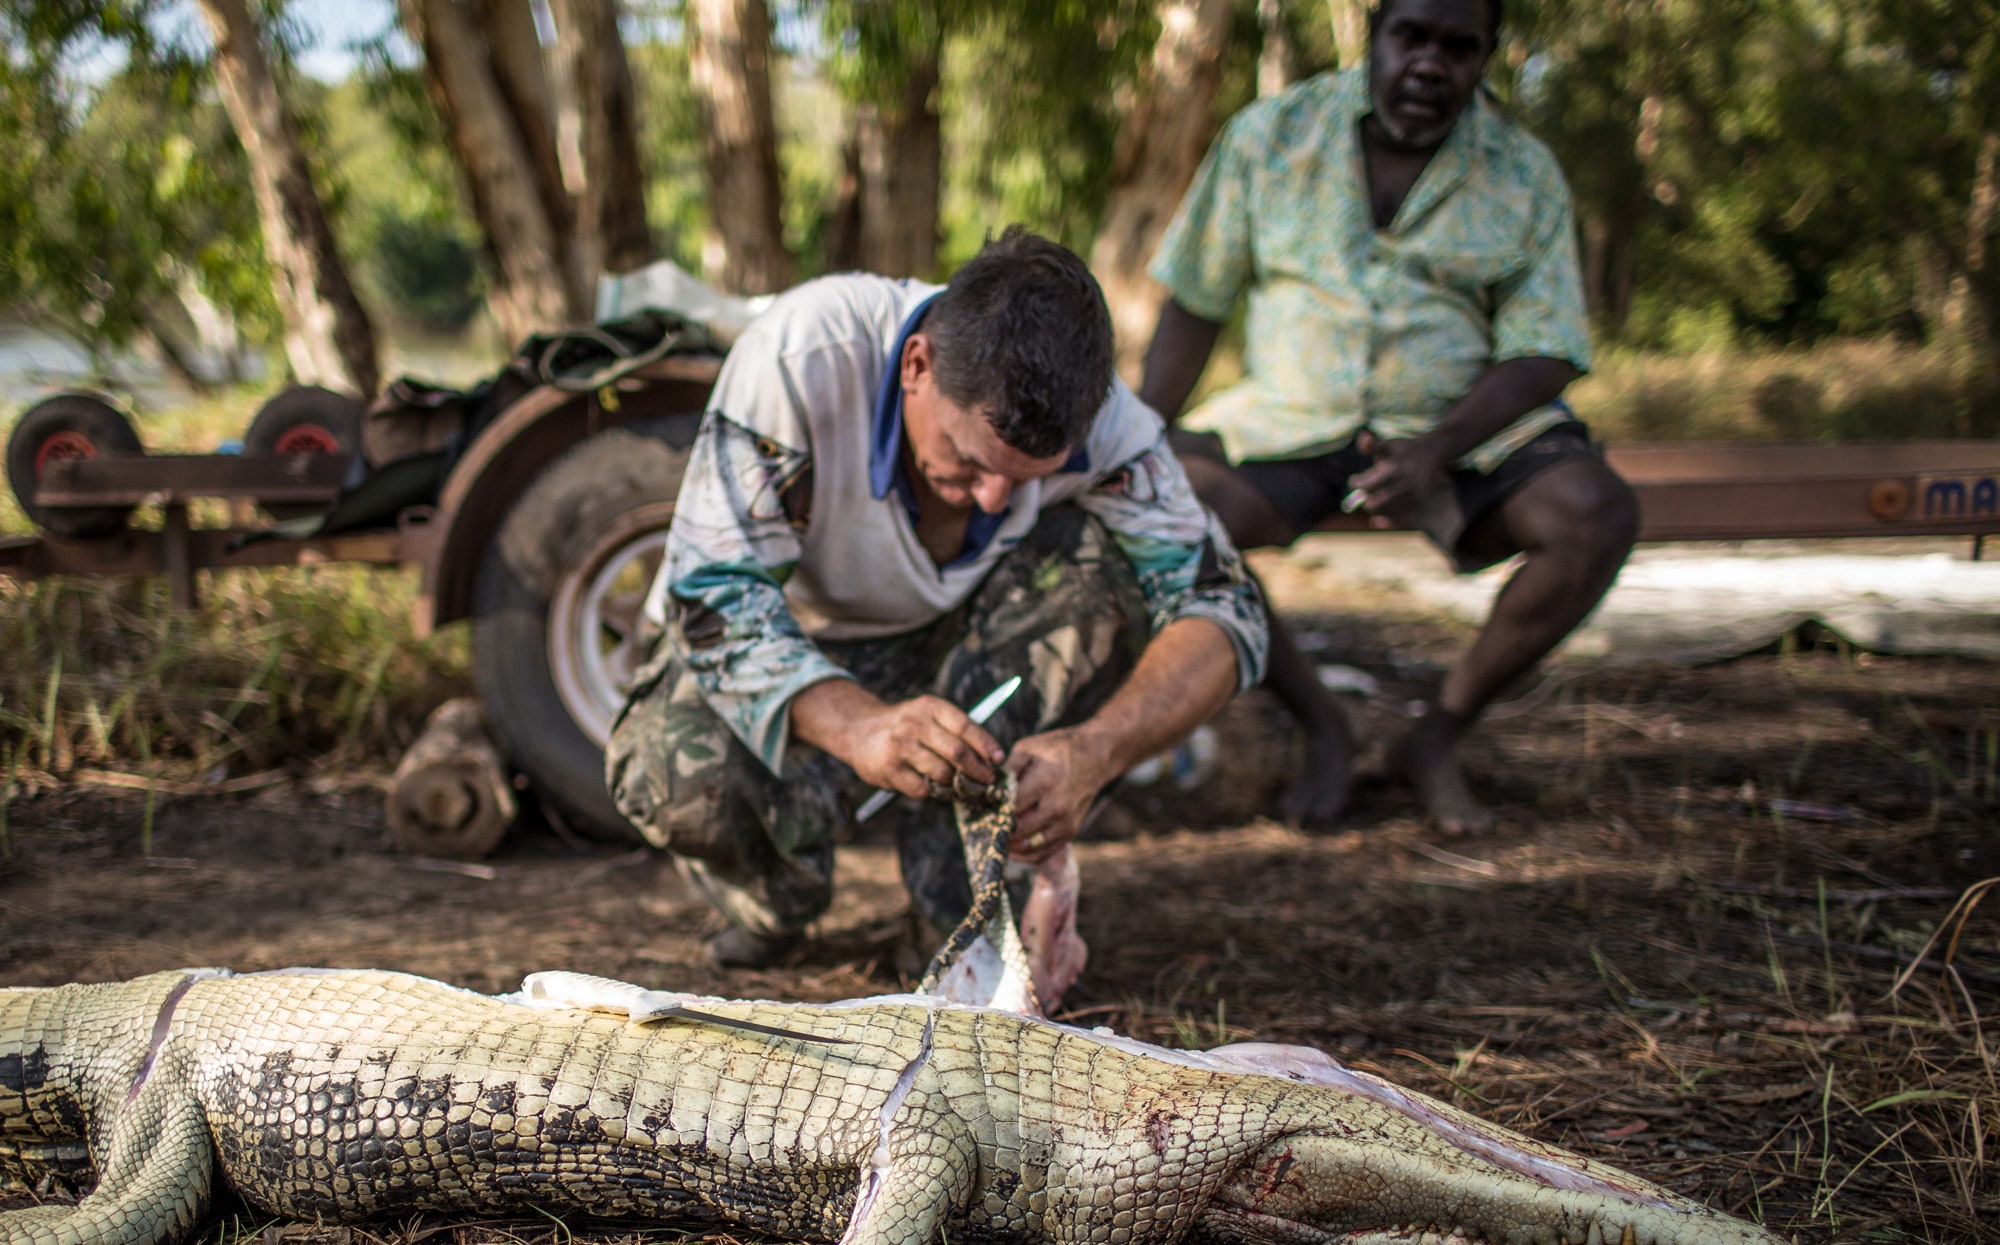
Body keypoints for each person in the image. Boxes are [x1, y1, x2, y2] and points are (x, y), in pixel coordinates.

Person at [606, 230, 1267, 970]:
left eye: (1028, 479)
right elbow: (715, 595)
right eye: (970, 460)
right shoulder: (804, 355)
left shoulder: (1110, 423)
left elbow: (1225, 608)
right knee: (673, 767)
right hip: (809, 647)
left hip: (973, 647)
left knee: (1099, 563)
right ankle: (776, 897)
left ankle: (959, 908)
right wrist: (861, 728)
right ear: (916, 366)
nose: (993, 498)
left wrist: (1098, 750)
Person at [1139, 0, 1639, 836]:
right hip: (1292, 417)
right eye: (1412, 37)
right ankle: (1321, 723)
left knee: (1597, 514)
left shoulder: (1522, 170)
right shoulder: (1271, 135)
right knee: (1163, 514)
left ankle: (1436, 735)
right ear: (1375, 32)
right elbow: (1195, 298)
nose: (1430, 64)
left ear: (1487, 56)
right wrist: (1139, 434)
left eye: (1458, 47)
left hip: (1462, 427)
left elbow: (1546, 346)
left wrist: (1437, 449)